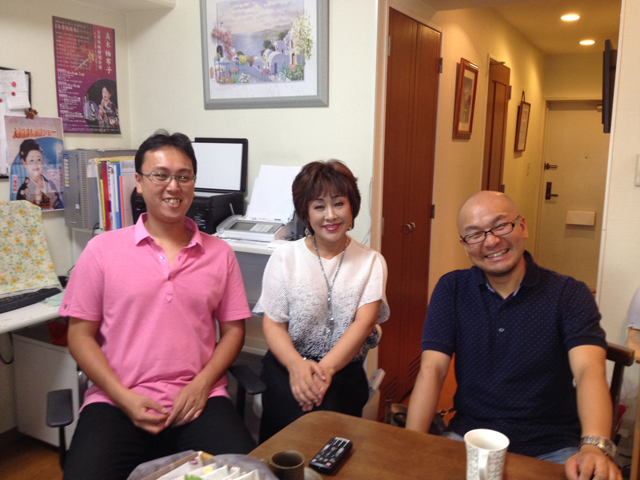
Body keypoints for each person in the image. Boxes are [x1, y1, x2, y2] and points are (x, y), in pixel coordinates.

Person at [59, 131, 255, 480]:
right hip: (116, 401)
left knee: (246, 474)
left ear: (193, 183)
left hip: (199, 399)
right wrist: (123, 397)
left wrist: (202, 385)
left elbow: (233, 332)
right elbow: (79, 336)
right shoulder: (101, 251)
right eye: (160, 175)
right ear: (139, 182)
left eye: (184, 176)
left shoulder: (219, 253)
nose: (173, 186)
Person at [405, 190, 621, 480]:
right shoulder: (452, 289)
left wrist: (594, 447)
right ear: (465, 245)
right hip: (471, 438)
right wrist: (411, 443)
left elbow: (588, 371)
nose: (491, 241)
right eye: (475, 234)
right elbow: (432, 370)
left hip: (552, 444)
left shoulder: (569, 294)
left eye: (500, 225)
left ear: (522, 226)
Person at [255, 160, 390, 442]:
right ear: (305, 212)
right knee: (289, 427)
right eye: (319, 206)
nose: (330, 215)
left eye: (339, 203)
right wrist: (296, 366)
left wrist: (325, 370)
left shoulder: (372, 262)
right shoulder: (284, 258)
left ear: (352, 206)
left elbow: (364, 324)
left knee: (326, 425)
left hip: (342, 370)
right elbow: (274, 324)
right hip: (288, 363)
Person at [16, 139, 62, 210]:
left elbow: (59, 206)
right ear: (24, 163)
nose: (36, 164)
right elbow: (21, 212)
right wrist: (36, 196)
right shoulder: (22, 190)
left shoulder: (50, 184)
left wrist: (52, 207)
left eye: (39, 159)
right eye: (31, 160)